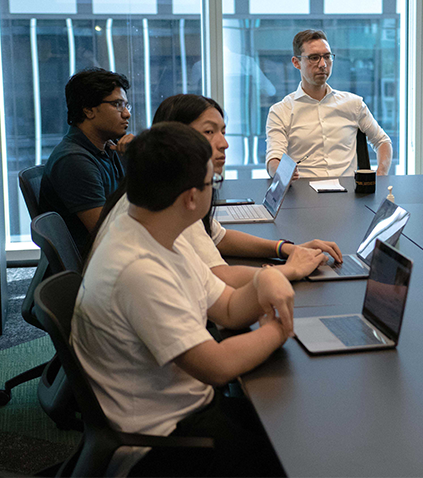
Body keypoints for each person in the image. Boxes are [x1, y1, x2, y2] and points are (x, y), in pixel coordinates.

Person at [72, 122, 291, 477]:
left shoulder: (160, 230)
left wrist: (266, 278)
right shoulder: (137, 268)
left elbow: (228, 309)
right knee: (297, 453)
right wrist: (279, 329)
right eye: (211, 185)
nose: (213, 192)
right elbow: (217, 366)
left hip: (189, 409)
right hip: (161, 443)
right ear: (191, 197)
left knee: (290, 422)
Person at [90, 94, 343, 286]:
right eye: (209, 132)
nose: (224, 144)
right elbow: (218, 279)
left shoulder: (155, 186)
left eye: (223, 131)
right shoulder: (171, 205)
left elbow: (217, 236)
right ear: (176, 136)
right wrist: (290, 270)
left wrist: (285, 249)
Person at [265, 29, 393, 178]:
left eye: (327, 57)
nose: (322, 64)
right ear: (296, 62)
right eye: (313, 58)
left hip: (348, 195)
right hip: (303, 195)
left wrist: (381, 175)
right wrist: (280, 171)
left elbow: (382, 141)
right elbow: (274, 158)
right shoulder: (281, 111)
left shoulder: (353, 104)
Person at [39, 67, 134, 253]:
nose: (126, 114)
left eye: (126, 106)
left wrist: (137, 160)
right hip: (100, 263)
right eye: (117, 105)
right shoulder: (74, 160)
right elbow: (107, 233)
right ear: (89, 110)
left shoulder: (111, 147)